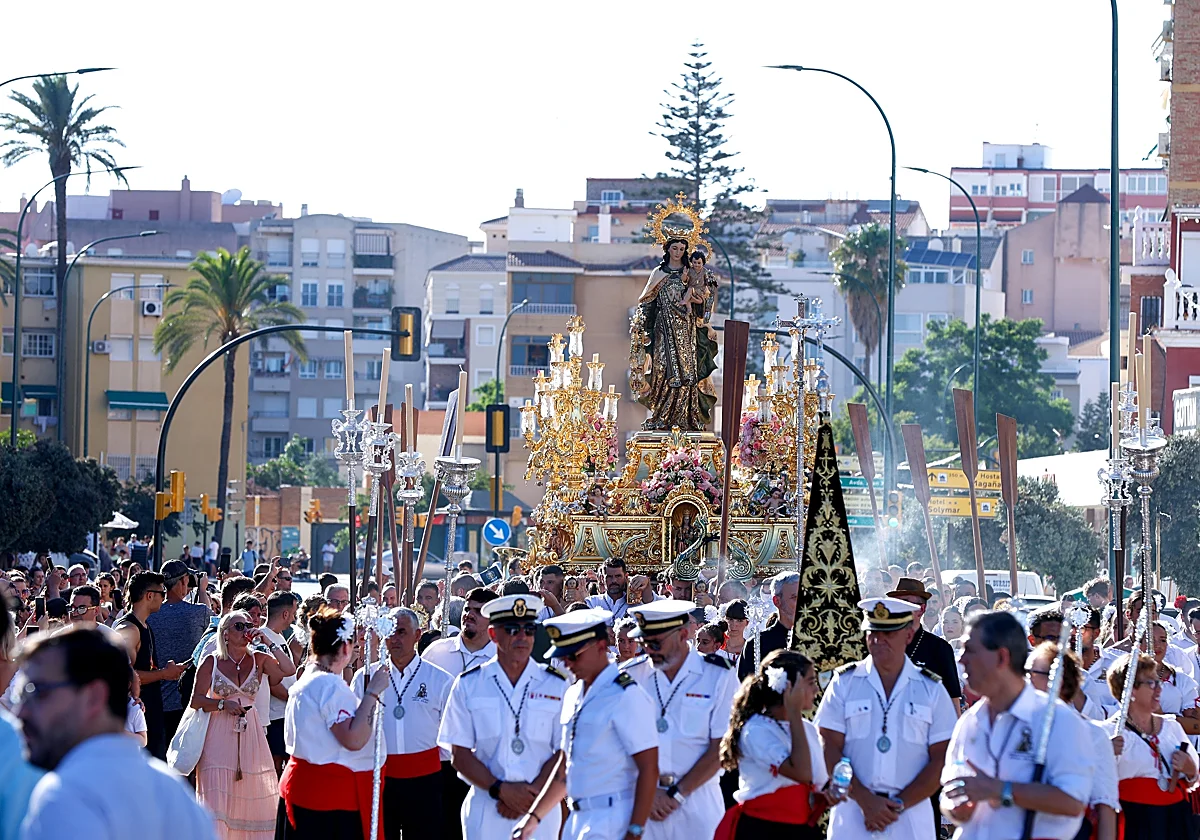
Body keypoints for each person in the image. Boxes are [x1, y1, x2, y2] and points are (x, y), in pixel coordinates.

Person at [15, 627, 216, 840]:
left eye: (36, 691)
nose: (21, 711)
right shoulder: (177, 794)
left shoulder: (65, 796)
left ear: (93, 696)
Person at [941, 611, 1094, 839]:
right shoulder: (970, 721)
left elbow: (1072, 801)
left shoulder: (1057, 721)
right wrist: (955, 808)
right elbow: (949, 790)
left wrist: (1000, 790)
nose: (961, 659)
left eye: (970, 650)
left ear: (1002, 657)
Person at [815, 597, 956, 839]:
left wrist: (898, 804)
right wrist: (866, 800)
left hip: (909, 815)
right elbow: (828, 745)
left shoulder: (930, 689)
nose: (879, 640)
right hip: (854, 811)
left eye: (889, 633)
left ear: (908, 635)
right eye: (873, 633)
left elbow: (942, 757)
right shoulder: (845, 682)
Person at [513, 608, 658, 840]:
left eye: (574, 655)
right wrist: (533, 818)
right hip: (577, 817)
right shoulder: (572, 694)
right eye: (563, 656)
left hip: (615, 817)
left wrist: (636, 829)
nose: (567, 663)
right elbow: (565, 768)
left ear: (601, 646)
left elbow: (649, 767)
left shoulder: (626, 694)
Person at [438, 594, 566, 840]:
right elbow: (459, 754)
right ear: (495, 634)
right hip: (488, 807)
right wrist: (502, 790)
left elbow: (564, 752)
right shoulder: (469, 684)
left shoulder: (556, 684)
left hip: (540, 809)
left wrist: (529, 794)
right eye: (513, 630)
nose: (523, 637)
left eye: (529, 630)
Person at [620, 600, 739, 840]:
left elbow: (721, 747)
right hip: (641, 801)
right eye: (644, 643)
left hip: (696, 802)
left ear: (683, 634)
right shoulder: (630, 676)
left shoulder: (718, 675)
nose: (649, 650)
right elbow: (617, 744)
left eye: (655, 643)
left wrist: (676, 794)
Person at [278, 608, 390, 840]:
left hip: (307, 789)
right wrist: (372, 693)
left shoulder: (307, 677)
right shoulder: (328, 685)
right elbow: (353, 739)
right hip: (326, 799)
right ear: (346, 648)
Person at [190, 609, 294, 839]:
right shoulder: (211, 661)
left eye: (248, 625)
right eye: (239, 626)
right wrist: (220, 705)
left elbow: (289, 670)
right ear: (225, 633)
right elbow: (196, 700)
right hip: (217, 734)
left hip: (251, 733)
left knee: (252, 793)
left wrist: (266, 640)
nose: (246, 630)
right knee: (216, 799)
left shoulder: (259, 658)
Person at [352, 607, 453, 840]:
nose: (395, 639)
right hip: (380, 778)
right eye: (391, 633)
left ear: (418, 635)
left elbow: (451, 733)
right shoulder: (367, 677)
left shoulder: (439, 679)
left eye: (402, 632)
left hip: (425, 778)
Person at [715, 649, 829, 839]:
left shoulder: (807, 729)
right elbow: (801, 773)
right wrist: (793, 713)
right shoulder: (756, 730)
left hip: (797, 828)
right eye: (810, 683)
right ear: (789, 687)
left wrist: (830, 793)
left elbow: (817, 781)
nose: (816, 690)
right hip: (762, 829)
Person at [422, 587, 499, 840]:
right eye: (468, 609)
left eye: (479, 611)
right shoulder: (436, 652)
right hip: (438, 764)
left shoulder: (502, 659)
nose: (470, 615)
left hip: (482, 767)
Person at [1026, 642, 1119, 840]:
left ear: (1056, 680)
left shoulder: (1093, 734)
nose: (1026, 680)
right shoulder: (1014, 726)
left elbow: (1105, 807)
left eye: (1032, 672)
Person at [1104, 651, 1199, 839]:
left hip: (1174, 822)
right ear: (1130, 689)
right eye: (1151, 683)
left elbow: (1194, 777)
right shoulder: (1107, 733)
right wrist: (1104, 754)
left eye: (1158, 682)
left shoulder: (1172, 727)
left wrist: (1189, 769)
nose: (1159, 689)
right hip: (1133, 823)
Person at [628, 236, 718, 431]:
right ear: (667, 249)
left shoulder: (691, 273)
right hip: (663, 329)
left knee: (688, 373)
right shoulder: (658, 274)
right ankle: (662, 415)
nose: (677, 252)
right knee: (661, 370)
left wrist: (703, 301)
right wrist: (640, 323)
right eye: (674, 248)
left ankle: (686, 418)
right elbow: (646, 303)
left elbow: (704, 298)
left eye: (681, 249)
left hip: (687, 330)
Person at [115, 571, 187, 759]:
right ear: (149, 595)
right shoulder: (129, 629)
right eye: (162, 593)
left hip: (150, 709)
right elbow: (122, 674)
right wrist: (164, 674)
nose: (164, 599)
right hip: (136, 715)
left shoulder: (144, 625)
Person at [149, 560, 214, 742]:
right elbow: (213, 626)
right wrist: (202, 591)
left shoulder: (150, 614)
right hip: (190, 699)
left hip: (155, 699)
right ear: (184, 582)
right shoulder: (198, 613)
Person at [890, 577, 963, 709]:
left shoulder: (940, 648)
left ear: (921, 609)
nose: (899, 607)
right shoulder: (882, 643)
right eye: (896, 602)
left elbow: (952, 699)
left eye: (906, 602)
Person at [261, 592, 302, 774]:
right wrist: (292, 698)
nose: (294, 617)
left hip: (283, 712)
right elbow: (271, 682)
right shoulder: (263, 638)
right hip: (274, 715)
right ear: (285, 614)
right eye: (293, 612)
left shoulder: (278, 636)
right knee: (275, 765)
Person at [738, 573, 799, 680]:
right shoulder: (758, 644)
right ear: (777, 601)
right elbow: (747, 687)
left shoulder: (818, 639)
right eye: (794, 597)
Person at [585, 558, 657, 621]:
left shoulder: (637, 603)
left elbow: (652, 604)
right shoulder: (592, 602)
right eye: (609, 577)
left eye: (618, 576)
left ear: (626, 577)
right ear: (602, 578)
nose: (614, 581)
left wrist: (646, 582)